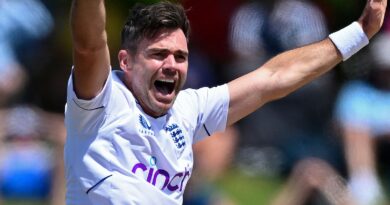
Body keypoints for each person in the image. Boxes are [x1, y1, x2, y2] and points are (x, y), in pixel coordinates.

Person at [65, 0, 387, 204]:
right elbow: (90, 44)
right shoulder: (101, 101)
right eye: (158, 54)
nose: (171, 65)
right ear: (126, 62)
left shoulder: (188, 109)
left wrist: (360, 32)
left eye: (180, 56)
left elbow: (273, 78)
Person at [334, 31, 390, 205]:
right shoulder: (355, 91)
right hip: (360, 139)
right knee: (357, 132)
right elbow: (341, 123)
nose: (386, 73)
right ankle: (365, 187)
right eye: (383, 68)